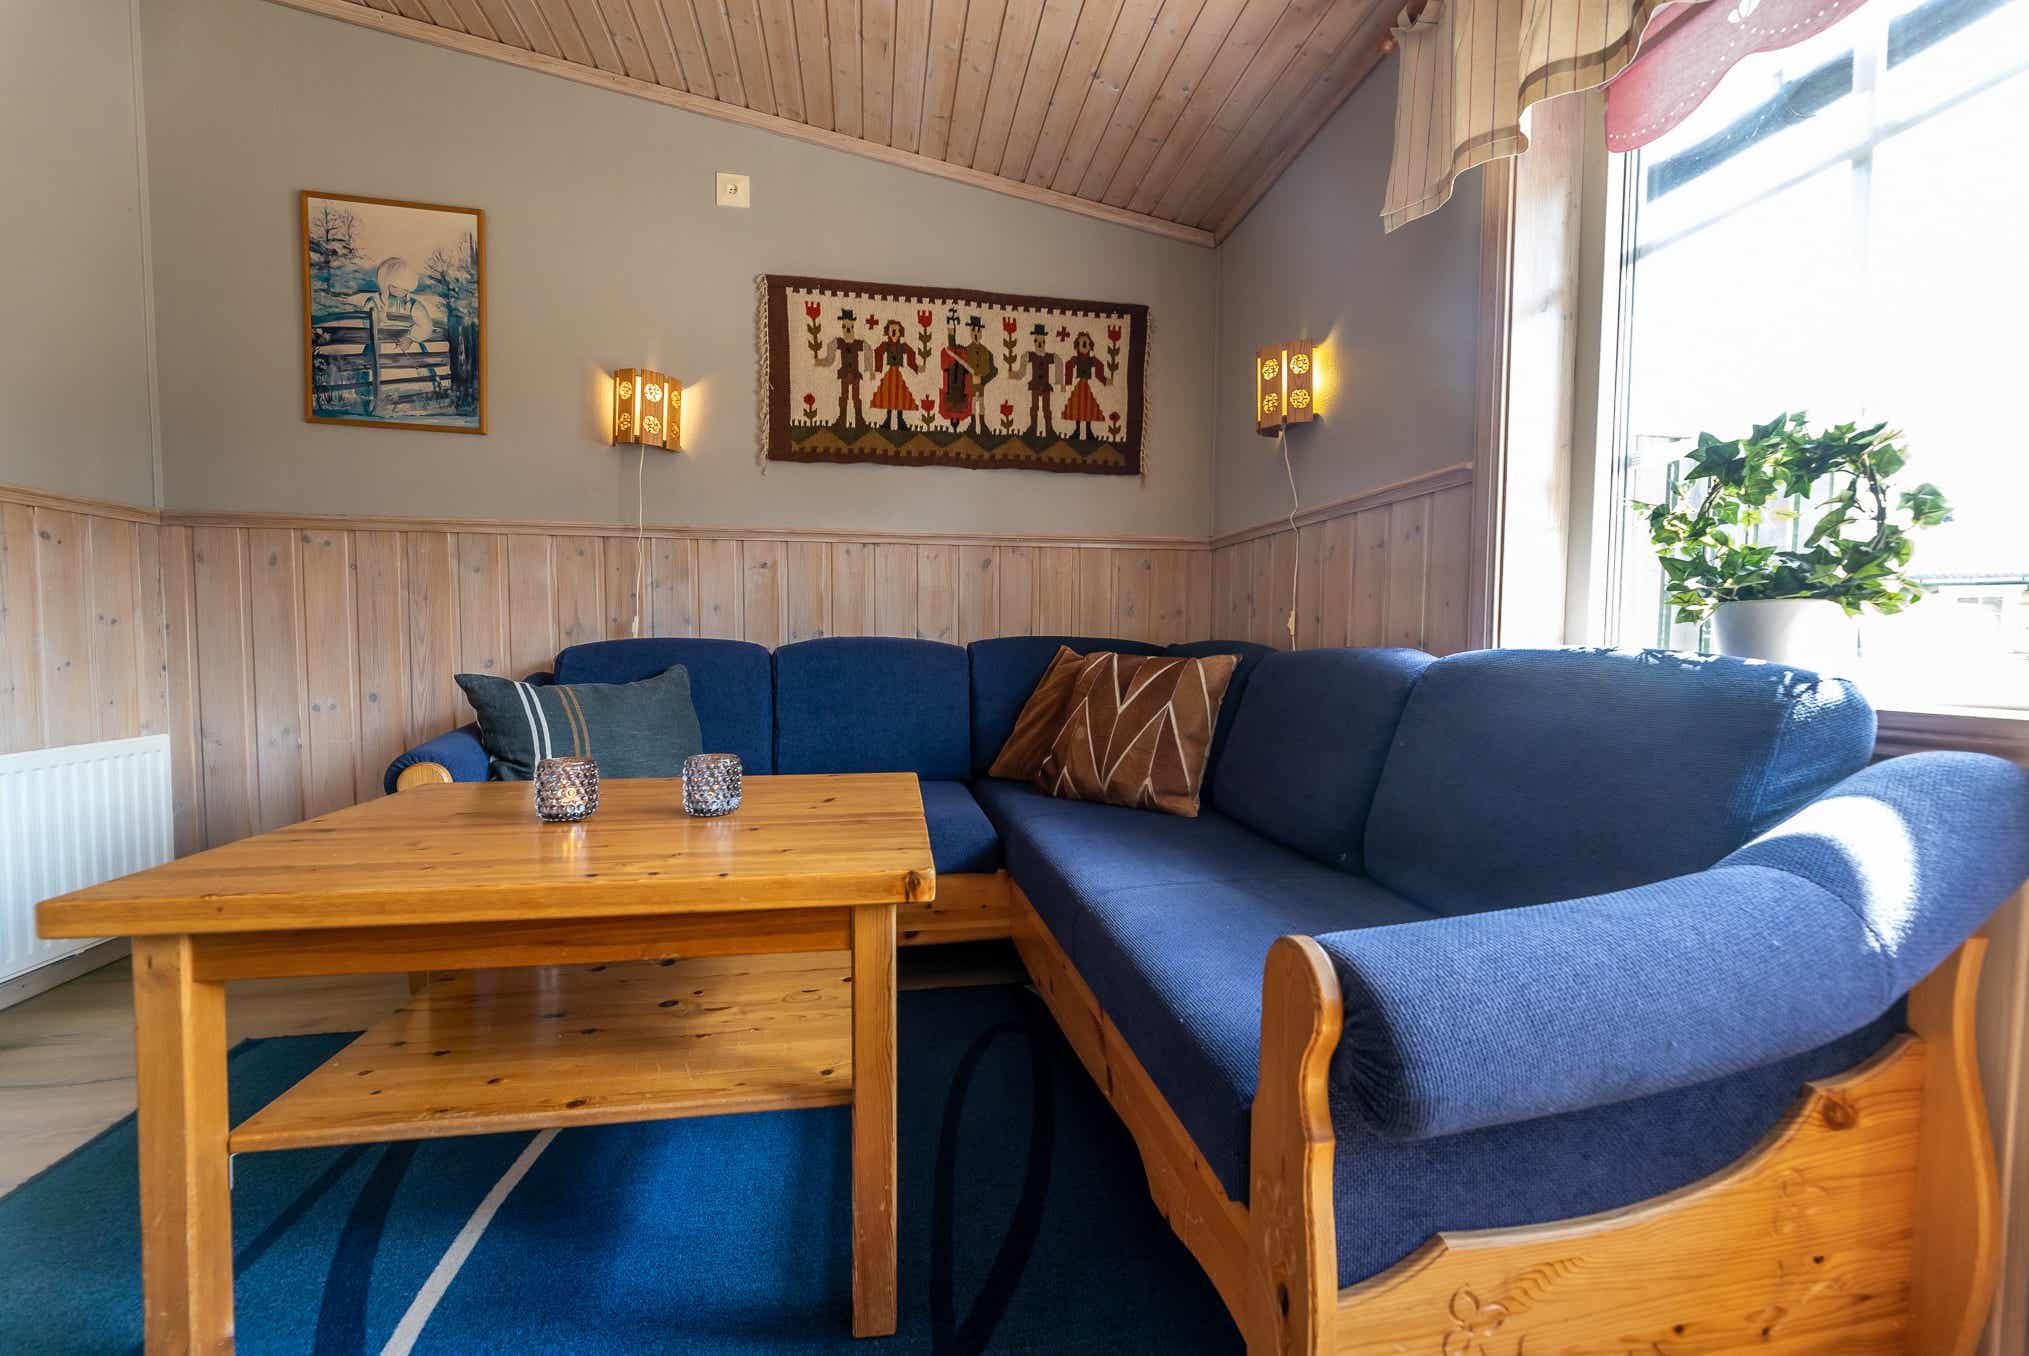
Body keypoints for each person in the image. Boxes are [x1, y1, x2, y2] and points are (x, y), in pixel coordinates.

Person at [812, 309, 868, 428]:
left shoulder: (857, 343)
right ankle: (842, 420)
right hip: (844, 375)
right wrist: (820, 361)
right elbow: (830, 358)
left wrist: (869, 368)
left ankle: (859, 421)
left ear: (853, 327)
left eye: (850, 326)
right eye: (845, 326)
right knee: (844, 397)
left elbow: (868, 348)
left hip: (855, 375)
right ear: (842, 327)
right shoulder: (839, 342)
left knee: (856, 397)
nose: (847, 329)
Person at [869, 319, 919, 431]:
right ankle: (888, 421)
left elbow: (911, 353)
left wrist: (916, 367)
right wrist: (877, 369)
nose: (894, 332)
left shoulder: (902, 346)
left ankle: (900, 422)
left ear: (900, 332)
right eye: (892, 330)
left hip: (897, 374)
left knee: (900, 397)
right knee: (888, 396)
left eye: (896, 330)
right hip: (891, 373)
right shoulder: (886, 345)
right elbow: (878, 352)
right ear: (888, 331)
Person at [1061, 331, 1111, 442]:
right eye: (1081, 343)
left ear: (1090, 345)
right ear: (1077, 345)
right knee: (1077, 407)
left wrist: (1105, 380)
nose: (1084, 345)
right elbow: (1069, 365)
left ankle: (1088, 431)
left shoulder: (1091, 360)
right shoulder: (1076, 359)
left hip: (1086, 387)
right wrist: (1066, 383)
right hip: (1080, 386)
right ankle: (1077, 431)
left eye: (1086, 343)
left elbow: (1099, 368)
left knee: (1088, 408)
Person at [937, 308, 978, 431]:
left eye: (953, 420)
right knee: (955, 354)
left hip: (955, 379)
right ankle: (951, 326)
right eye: (956, 420)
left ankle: (951, 326)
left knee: (953, 352)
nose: (954, 418)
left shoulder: (952, 408)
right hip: (957, 379)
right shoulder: (961, 409)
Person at [960, 315, 1000, 436]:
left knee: (981, 405)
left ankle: (982, 426)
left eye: (978, 331)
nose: (976, 333)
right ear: (970, 332)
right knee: (972, 405)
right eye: (973, 330)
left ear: (981, 333)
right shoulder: (965, 351)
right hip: (970, 387)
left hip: (981, 387)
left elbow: (994, 371)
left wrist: (982, 380)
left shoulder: (987, 353)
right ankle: (973, 425)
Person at [1022, 324, 1058, 439]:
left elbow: (1057, 359)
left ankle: (1049, 429)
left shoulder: (1048, 356)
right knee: (1034, 407)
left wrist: (1059, 380)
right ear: (1034, 342)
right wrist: (1018, 372)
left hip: (1045, 386)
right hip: (1035, 385)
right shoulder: (1032, 355)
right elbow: (1024, 360)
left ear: (1044, 342)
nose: (1039, 344)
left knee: (1046, 408)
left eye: (1042, 341)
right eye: (1037, 341)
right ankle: (1033, 428)